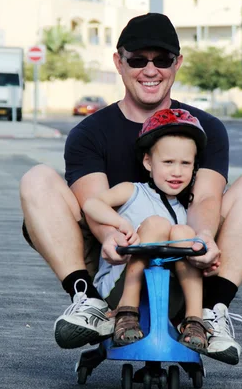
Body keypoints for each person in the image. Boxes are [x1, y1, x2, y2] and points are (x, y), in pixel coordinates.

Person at [19, 13, 242, 365]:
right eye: (138, 60)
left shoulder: (207, 129)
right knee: (37, 178)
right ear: (119, 62)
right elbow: (93, 202)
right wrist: (112, 236)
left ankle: (209, 313)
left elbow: (205, 197)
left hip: (187, 257)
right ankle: (89, 302)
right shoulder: (90, 132)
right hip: (114, 260)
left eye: (163, 60)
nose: (150, 70)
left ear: (178, 63)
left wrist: (203, 238)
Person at [82, 108, 211, 354]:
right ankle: (126, 311)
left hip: (165, 295)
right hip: (118, 288)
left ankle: (194, 320)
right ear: (148, 162)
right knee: (157, 224)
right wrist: (120, 224)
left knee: (185, 232)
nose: (177, 171)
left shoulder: (185, 210)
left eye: (186, 164)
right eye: (168, 162)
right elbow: (91, 204)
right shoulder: (133, 192)